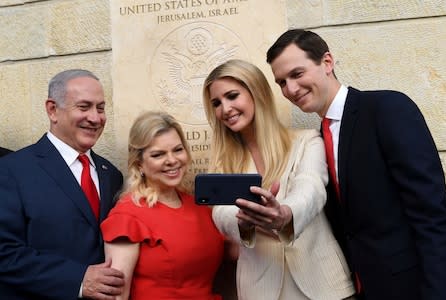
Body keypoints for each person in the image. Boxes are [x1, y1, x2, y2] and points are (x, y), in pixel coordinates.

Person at [266, 29, 446, 300]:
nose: (291, 90)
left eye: (297, 74)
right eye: (281, 82)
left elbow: (433, 218)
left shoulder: (387, 108)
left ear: (327, 63)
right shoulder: (319, 139)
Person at [202, 59, 355, 300]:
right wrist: (243, 221)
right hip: (260, 289)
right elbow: (221, 213)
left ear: (256, 92)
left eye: (232, 96)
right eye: (216, 103)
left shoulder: (307, 140)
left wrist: (285, 214)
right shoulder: (223, 161)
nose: (225, 109)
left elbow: (312, 187)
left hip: (323, 284)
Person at [0, 69, 125, 299]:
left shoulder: (111, 174)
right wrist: (77, 279)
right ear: (52, 110)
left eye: (101, 108)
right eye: (84, 106)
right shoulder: (11, 171)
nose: (96, 118)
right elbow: (4, 252)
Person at [100, 111, 225, 300]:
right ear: (139, 164)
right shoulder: (127, 216)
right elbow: (117, 296)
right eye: (158, 154)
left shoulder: (198, 206)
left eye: (178, 150)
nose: (172, 160)